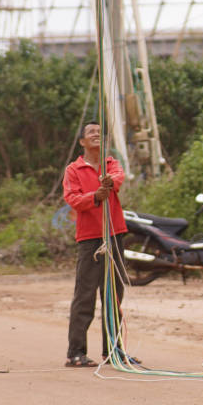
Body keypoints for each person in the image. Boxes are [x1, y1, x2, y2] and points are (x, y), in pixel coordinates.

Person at [63, 121, 128, 367]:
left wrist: (108, 182)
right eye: (91, 132)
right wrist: (95, 197)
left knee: (114, 296)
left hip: (115, 235)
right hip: (90, 239)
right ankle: (75, 352)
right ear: (82, 141)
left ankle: (113, 351)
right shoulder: (74, 169)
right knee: (85, 296)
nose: (96, 135)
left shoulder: (111, 164)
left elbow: (118, 178)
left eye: (99, 133)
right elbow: (72, 198)